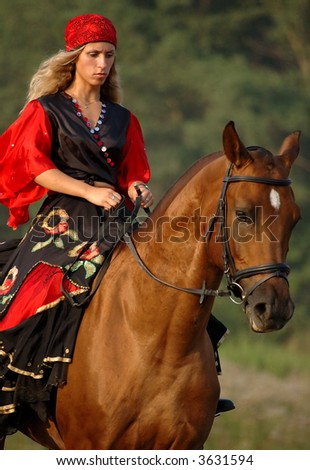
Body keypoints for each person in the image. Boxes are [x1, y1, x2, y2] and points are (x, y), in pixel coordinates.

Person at [0, 13, 232, 436]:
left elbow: (134, 171)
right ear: (73, 59)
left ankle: (193, 388)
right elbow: (34, 168)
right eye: (93, 55)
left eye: (108, 55)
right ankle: (17, 382)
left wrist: (138, 188)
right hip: (64, 222)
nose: (102, 64)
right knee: (33, 292)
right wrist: (89, 191)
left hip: (116, 220)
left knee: (173, 287)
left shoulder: (123, 118)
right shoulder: (44, 110)